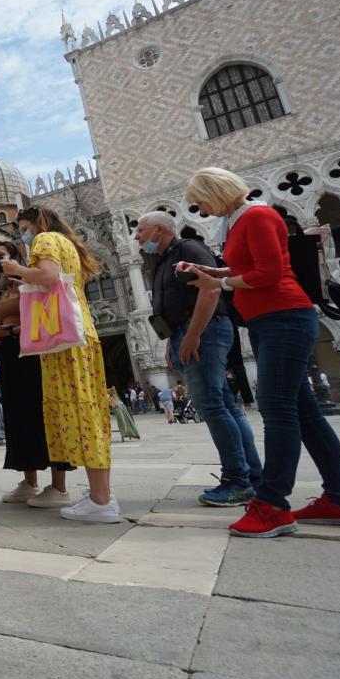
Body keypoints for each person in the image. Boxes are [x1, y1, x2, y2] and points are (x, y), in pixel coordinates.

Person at [182, 167, 340, 536]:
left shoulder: (257, 215)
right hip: (267, 320)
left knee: (277, 410)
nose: (201, 208)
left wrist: (219, 285)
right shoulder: (239, 221)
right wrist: (211, 270)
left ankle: (272, 505)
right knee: (306, 414)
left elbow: (270, 274)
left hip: (283, 317)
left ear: (217, 191)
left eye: (201, 199)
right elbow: (248, 268)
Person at [2, 206, 119, 523]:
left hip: (61, 338)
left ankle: (100, 500)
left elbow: (48, 275)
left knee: (79, 412)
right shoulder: (69, 243)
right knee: (91, 412)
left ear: (36, 223)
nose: (22, 235)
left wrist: (17, 269)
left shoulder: (45, 240)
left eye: (23, 227)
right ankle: (101, 495)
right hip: (81, 332)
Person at [138, 211, 262, 504]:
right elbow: (176, 301)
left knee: (213, 407)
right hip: (185, 332)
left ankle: (239, 480)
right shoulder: (165, 259)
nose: (136, 236)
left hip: (204, 332)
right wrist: (172, 341)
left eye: (140, 230)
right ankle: (252, 475)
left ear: (158, 230)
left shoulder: (189, 249)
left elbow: (210, 292)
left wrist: (193, 335)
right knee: (225, 406)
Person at [0, 241, 70, 507]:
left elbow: (44, 319)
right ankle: (29, 482)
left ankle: (59, 487)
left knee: (43, 413)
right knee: (17, 415)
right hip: (10, 355)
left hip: (35, 354)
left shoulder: (30, 282)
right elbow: (0, 324)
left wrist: (11, 332)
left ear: (15, 257)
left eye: (1, 256)